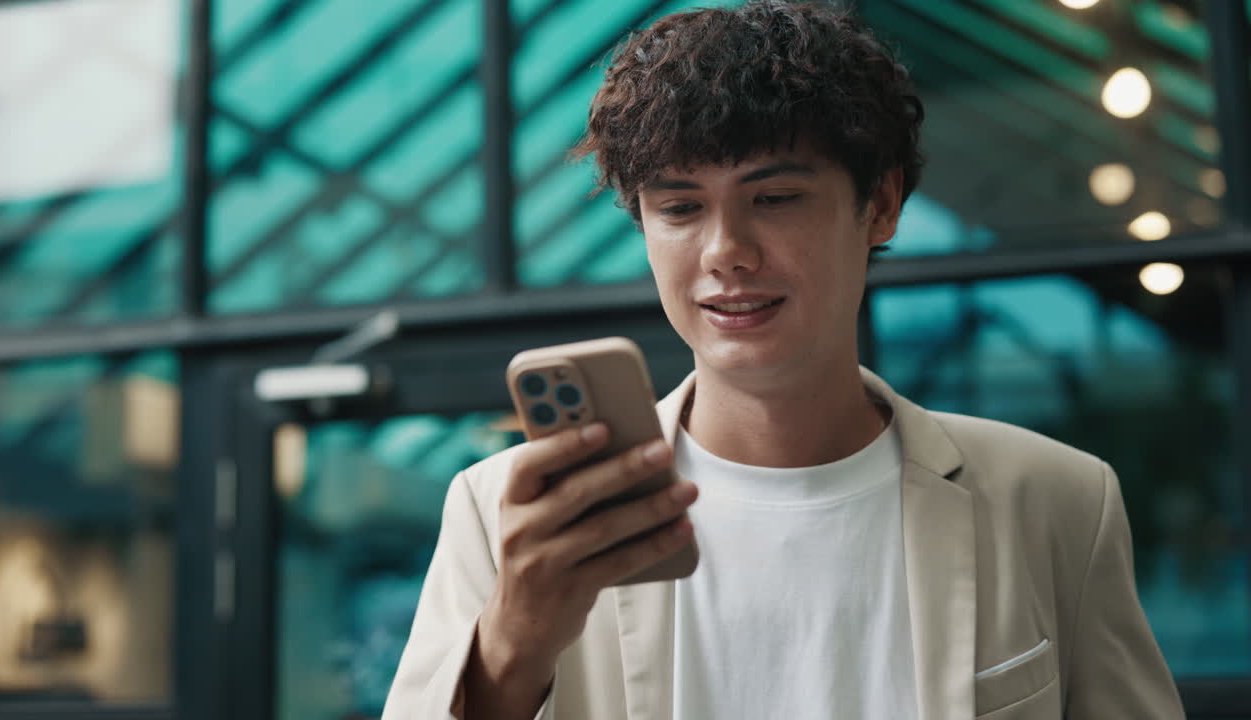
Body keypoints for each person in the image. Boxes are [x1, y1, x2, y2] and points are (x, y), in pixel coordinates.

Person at [382, 2, 1184, 718]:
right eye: (680, 208)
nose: (725, 252)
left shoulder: (1054, 501)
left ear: (880, 204)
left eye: (774, 198)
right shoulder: (504, 516)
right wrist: (513, 645)